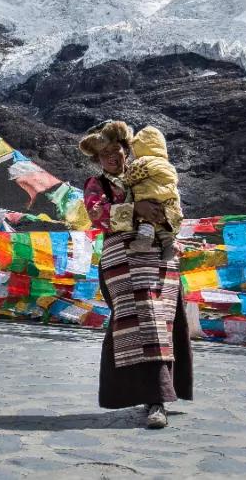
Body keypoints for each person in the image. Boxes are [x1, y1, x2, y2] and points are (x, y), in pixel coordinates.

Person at [79, 119, 193, 429]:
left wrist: (165, 221)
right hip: (123, 262)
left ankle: (160, 392)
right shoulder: (96, 185)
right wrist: (136, 210)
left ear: (126, 150)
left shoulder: (147, 172)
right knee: (145, 321)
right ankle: (156, 399)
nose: (111, 158)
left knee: (165, 321)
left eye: (115, 151)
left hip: (160, 258)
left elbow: (171, 202)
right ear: (97, 158)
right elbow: (97, 215)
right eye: (104, 154)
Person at [122, 125, 183, 258]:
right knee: (164, 226)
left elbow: (131, 175)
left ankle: (144, 241)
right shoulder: (169, 165)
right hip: (170, 203)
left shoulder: (143, 161)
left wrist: (125, 180)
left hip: (151, 198)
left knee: (148, 220)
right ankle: (170, 245)